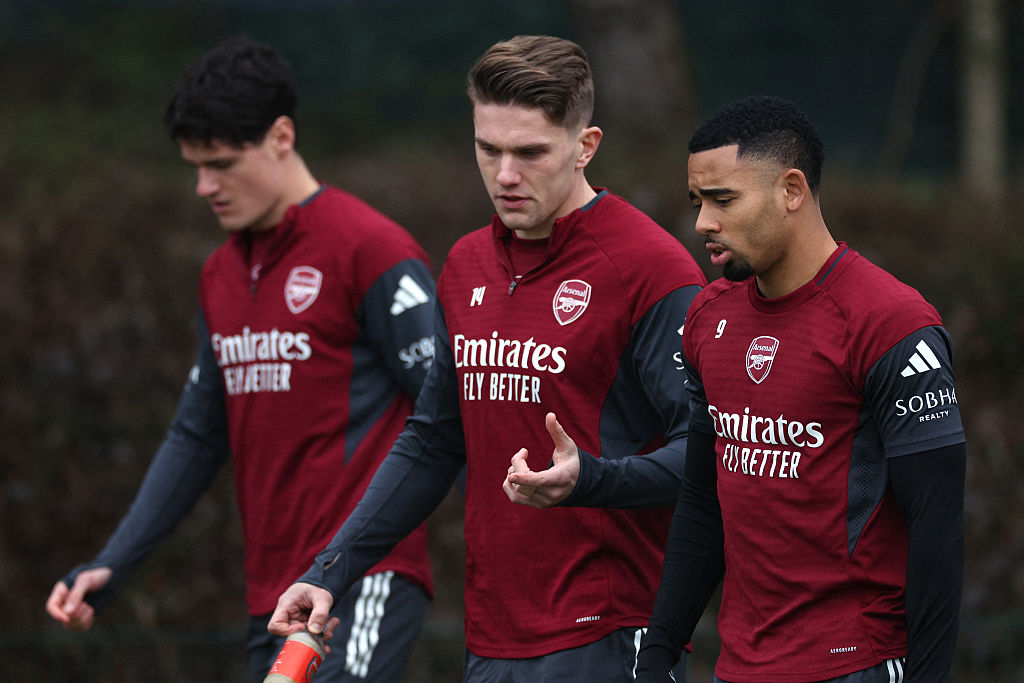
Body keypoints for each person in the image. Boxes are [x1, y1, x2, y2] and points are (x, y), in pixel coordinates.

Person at [268, 35, 706, 682]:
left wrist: (592, 478)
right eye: (488, 149)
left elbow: (708, 453)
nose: (504, 175)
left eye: (530, 153)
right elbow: (433, 441)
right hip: (493, 641)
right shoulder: (467, 263)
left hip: (614, 638)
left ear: (585, 146)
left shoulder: (650, 267)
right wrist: (331, 570)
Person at [44, 37, 438, 683]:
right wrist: (114, 560)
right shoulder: (220, 274)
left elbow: (449, 417)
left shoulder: (371, 249)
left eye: (222, 164)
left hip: (362, 579)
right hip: (273, 600)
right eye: (195, 167)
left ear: (281, 136)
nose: (205, 186)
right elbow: (197, 435)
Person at [634, 95, 966, 682]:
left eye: (723, 200)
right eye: (697, 202)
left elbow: (937, 529)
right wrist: (658, 651)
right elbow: (704, 500)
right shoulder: (709, 317)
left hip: (855, 663)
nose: (703, 222)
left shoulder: (891, 323)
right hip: (739, 666)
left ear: (792, 190)